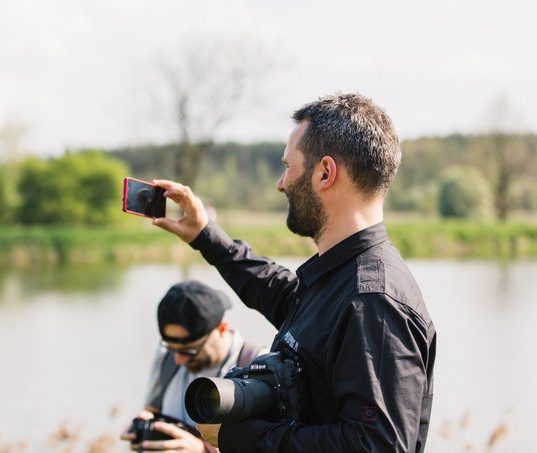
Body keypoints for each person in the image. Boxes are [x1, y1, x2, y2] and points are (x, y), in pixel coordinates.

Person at [150, 93, 437, 452]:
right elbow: (276, 291)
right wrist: (205, 235)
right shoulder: (340, 277)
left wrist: (241, 438)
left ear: (325, 173)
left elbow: (376, 446)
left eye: (289, 166)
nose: (281, 183)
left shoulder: (373, 301)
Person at [121, 280, 266, 452]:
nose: (178, 360)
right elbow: (151, 411)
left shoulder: (259, 367)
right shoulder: (165, 357)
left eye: (189, 350)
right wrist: (144, 426)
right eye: (171, 348)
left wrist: (202, 451)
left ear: (221, 327)